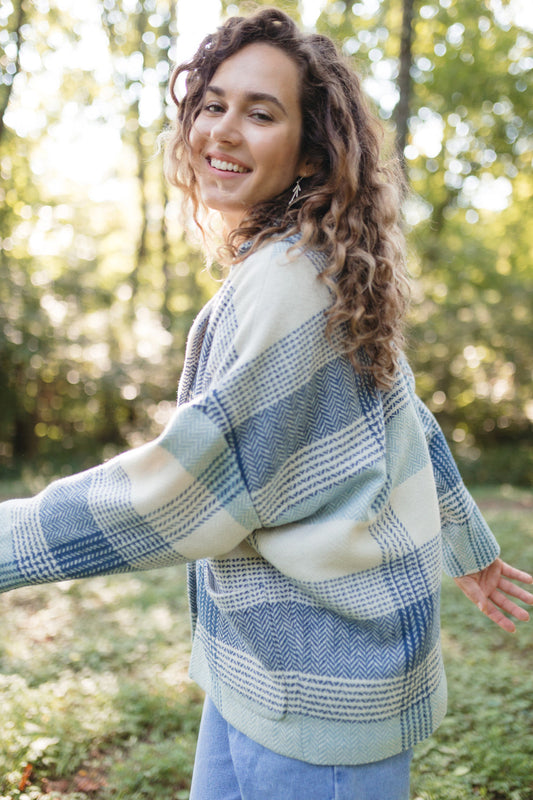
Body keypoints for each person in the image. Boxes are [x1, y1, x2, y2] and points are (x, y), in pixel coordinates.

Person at [1, 8, 532, 799]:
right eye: (211, 104)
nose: (222, 130)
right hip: (257, 672)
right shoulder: (312, 266)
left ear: (310, 147)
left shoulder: (290, 284)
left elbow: (181, 492)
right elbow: (404, 416)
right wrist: (468, 542)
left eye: (260, 112)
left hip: (320, 700)